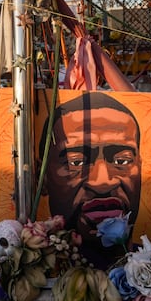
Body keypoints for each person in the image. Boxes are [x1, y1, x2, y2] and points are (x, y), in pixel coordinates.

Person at [40, 92, 141, 268]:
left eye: (122, 161)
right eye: (76, 162)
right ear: (41, 178)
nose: (102, 182)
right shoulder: (33, 273)